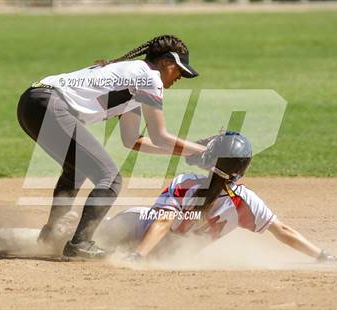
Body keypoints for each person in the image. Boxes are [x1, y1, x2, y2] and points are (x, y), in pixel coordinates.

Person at [16, 35, 206, 259]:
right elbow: (160, 135)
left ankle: (49, 236)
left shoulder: (134, 80)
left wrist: (185, 152)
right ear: (165, 62)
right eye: (179, 70)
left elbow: (133, 140)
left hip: (32, 104)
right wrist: (201, 151)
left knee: (76, 169)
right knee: (110, 178)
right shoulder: (149, 77)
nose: (179, 77)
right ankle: (80, 243)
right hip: (49, 105)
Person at [96, 132, 337, 263]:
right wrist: (321, 255)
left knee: (103, 233)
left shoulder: (186, 183)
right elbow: (283, 231)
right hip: (167, 255)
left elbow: (162, 222)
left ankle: (71, 230)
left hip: (140, 232)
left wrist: (139, 255)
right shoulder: (245, 200)